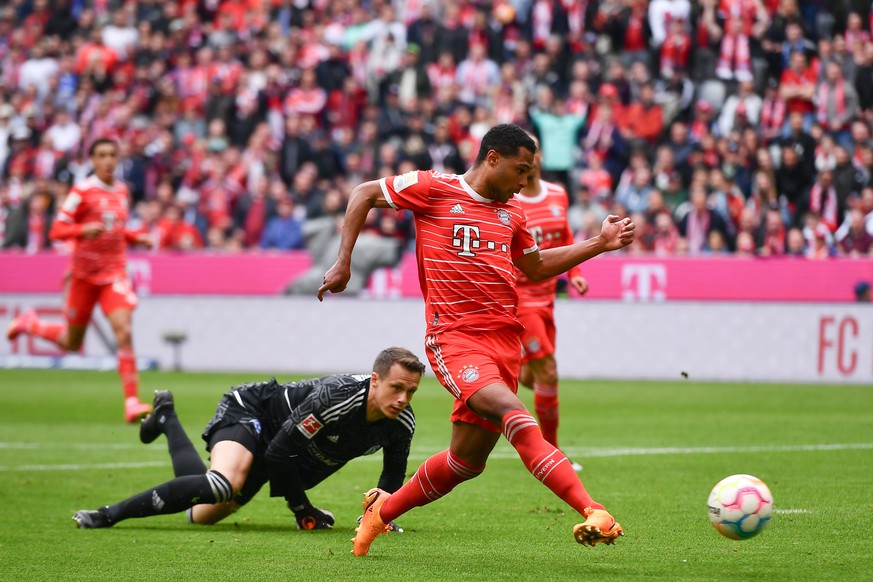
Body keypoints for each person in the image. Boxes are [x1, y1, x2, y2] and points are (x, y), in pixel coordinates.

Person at [318, 124, 635, 556]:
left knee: (464, 463)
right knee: (514, 413)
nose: (524, 183)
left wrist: (599, 242)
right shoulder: (434, 187)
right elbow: (363, 193)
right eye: (520, 171)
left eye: (529, 173)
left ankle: (382, 512)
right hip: (455, 339)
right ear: (491, 159)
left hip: (505, 343)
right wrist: (343, 263)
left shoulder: (513, 214)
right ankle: (593, 509)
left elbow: (537, 266)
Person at [72, 347, 424, 529]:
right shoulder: (336, 400)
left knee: (202, 514)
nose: (402, 399)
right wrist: (303, 510)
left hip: (280, 445)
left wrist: (379, 518)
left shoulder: (401, 422)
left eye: (410, 391)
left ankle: (166, 419)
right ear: (375, 381)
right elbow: (280, 453)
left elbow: (392, 477)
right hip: (254, 411)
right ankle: (106, 516)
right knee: (223, 484)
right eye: (396, 388)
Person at [6, 138, 154, 423]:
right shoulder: (82, 191)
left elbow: (116, 229)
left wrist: (137, 237)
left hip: (113, 274)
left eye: (113, 154)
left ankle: (132, 401)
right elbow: (57, 230)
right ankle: (30, 324)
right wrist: (81, 229)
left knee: (123, 331)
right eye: (102, 155)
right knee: (72, 342)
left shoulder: (122, 191)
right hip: (84, 277)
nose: (108, 160)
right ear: (93, 160)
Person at [515, 134, 589, 472]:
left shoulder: (558, 194)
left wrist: (573, 273)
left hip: (547, 298)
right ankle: (552, 453)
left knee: (533, 375)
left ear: (539, 156)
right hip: (519, 297)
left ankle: (500, 372)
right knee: (549, 370)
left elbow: (566, 238)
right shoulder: (510, 201)